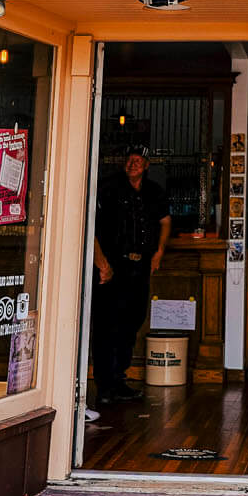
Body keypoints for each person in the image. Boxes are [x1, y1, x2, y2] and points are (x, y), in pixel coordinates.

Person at [90, 146, 171, 404]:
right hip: (113, 268)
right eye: (130, 159)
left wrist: (158, 252)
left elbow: (165, 221)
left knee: (131, 323)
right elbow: (89, 221)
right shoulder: (109, 187)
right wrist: (101, 262)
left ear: (147, 165)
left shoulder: (153, 191)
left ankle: (119, 380)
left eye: (138, 160)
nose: (133, 163)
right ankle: (104, 387)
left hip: (139, 267)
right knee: (106, 326)